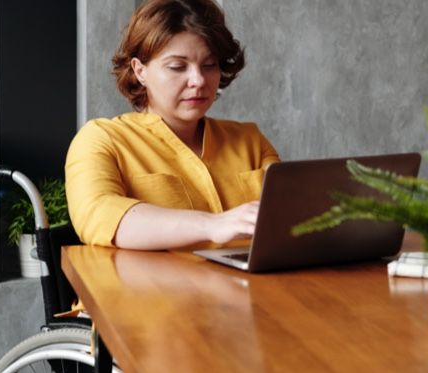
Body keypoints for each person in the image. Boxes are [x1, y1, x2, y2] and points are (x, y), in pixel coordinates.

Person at [65, 0, 280, 251]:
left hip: (249, 287)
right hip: (153, 289)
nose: (198, 80)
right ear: (140, 70)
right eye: (178, 67)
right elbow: (98, 214)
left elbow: (294, 214)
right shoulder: (101, 139)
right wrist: (212, 225)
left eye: (209, 65)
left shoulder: (250, 140)